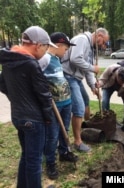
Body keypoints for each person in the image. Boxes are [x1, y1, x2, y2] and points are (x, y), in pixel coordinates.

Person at [0, 26, 56, 188]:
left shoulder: (10, 60)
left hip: (18, 116)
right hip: (34, 120)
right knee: (35, 161)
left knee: (26, 156)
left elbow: (2, 84)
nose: (46, 52)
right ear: (38, 45)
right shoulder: (31, 64)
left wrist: (17, 98)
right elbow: (44, 95)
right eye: (46, 47)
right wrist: (47, 117)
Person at [61, 28, 109, 152]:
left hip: (76, 78)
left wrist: (93, 86)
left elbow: (88, 70)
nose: (103, 46)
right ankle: (77, 141)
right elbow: (75, 59)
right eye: (104, 42)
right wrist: (93, 67)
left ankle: (83, 130)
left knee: (85, 101)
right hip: (68, 76)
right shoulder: (82, 39)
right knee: (79, 108)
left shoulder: (91, 48)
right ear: (99, 35)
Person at [38, 32, 78, 180]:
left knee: (64, 130)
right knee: (52, 135)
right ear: (59, 45)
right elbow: (36, 76)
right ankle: (50, 163)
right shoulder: (45, 58)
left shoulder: (56, 59)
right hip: (54, 106)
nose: (66, 52)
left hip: (66, 103)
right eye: (66, 49)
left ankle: (64, 153)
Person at [95, 63, 124, 130]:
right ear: (117, 75)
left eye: (123, 82)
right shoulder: (110, 69)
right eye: (121, 81)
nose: (122, 83)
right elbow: (102, 80)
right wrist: (99, 84)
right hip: (108, 86)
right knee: (105, 101)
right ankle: (106, 121)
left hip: (122, 89)